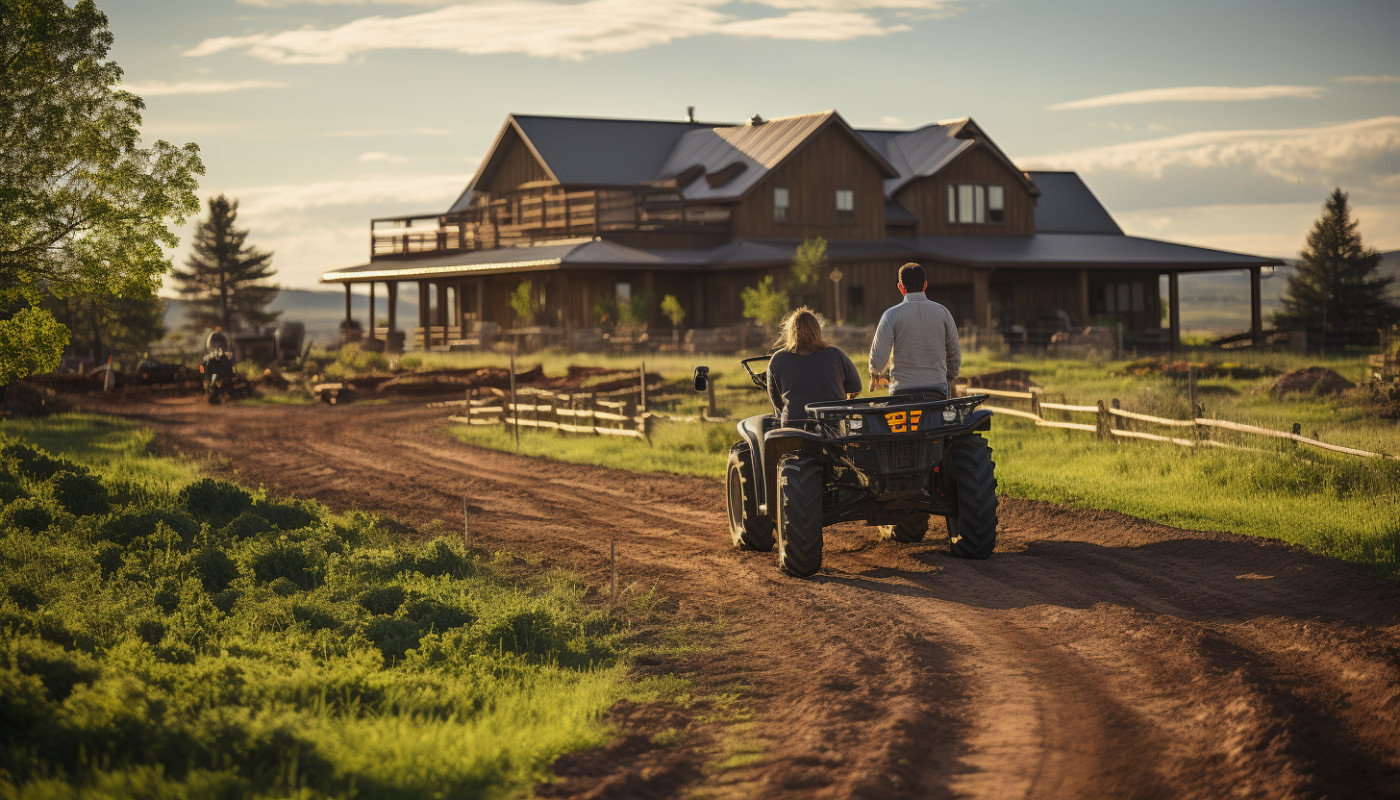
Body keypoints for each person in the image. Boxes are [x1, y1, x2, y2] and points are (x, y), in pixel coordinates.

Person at [868, 262, 961, 397]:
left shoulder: (891, 315)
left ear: (901, 287)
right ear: (925, 285)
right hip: (936, 389)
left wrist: (875, 374)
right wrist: (949, 375)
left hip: (902, 390)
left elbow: (878, 354)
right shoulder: (943, 313)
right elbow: (954, 351)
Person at [766, 307, 862, 424]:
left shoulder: (778, 359)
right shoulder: (836, 354)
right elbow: (856, 387)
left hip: (794, 427)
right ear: (817, 330)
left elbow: (776, 403)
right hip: (834, 426)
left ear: (791, 332)